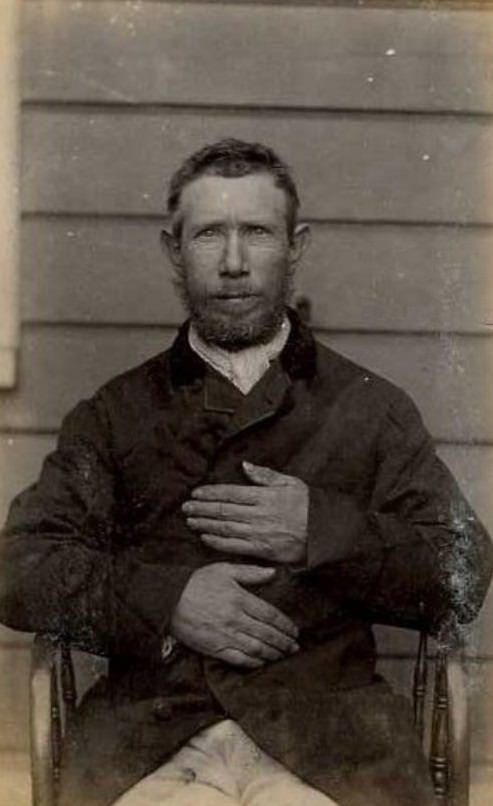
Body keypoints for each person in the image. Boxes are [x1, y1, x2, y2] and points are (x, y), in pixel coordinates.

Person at [0, 138, 492, 806]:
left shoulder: (369, 408)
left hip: (330, 746)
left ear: (296, 245)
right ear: (174, 250)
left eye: (256, 233)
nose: (233, 264)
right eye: (209, 235)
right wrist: (166, 600)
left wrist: (320, 529)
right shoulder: (115, 414)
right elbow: (21, 566)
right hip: (151, 740)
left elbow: (461, 569)